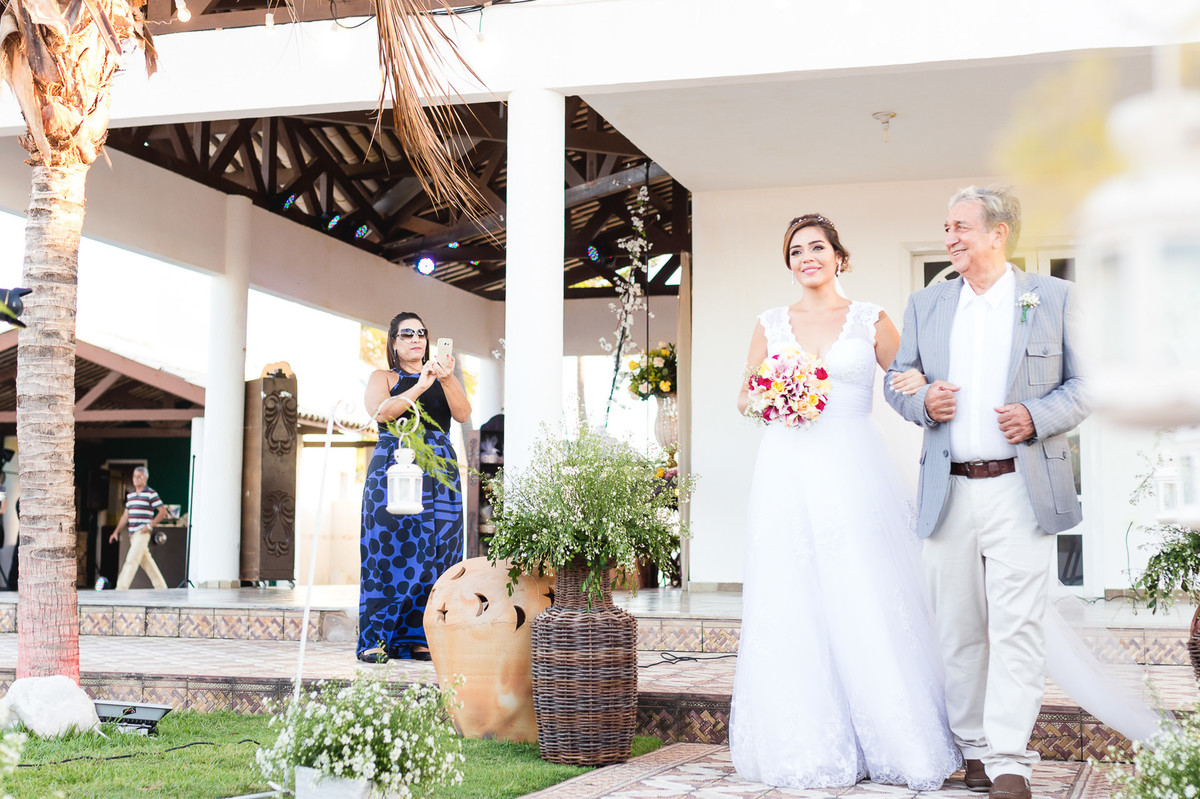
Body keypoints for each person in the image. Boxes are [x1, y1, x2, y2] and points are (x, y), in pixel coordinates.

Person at [730, 213, 960, 790]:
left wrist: (923, 390)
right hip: (786, 470)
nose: (807, 256)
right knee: (794, 597)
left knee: (863, 590)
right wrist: (776, 395)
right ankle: (806, 740)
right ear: (789, 263)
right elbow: (743, 395)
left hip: (855, 468)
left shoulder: (870, 318)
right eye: (796, 250)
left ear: (839, 256)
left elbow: (910, 378)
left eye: (817, 247)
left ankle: (896, 737)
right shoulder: (770, 323)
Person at [885, 186, 1087, 799]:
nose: (950, 238)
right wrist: (922, 401)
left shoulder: (1054, 297)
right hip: (947, 493)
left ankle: (1009, 763)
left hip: (1019, 490)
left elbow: (1089, 383)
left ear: (998, 233)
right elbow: (897, 381)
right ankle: (971, 748)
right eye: (946, 228)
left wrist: (1037, 413)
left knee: (1018, 627)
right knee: (958, 629)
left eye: (961, 227)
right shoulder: (926, 303)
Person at [358, 312, 471, 663]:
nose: (415, 339)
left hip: (438, 469)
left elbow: (464, 414)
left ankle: (423, 636)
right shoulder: (384, 377)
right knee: (386, 549)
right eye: (406, 334)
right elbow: (381, 412)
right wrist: (421, 383)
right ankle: (376, 638)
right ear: (393, 343)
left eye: (421, 333)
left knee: (439, 550)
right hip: (394, 466)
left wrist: (446, 379)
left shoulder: (444, 377)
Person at [108, 465, 169, 590]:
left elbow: (163, 512)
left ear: (145, 478)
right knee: (147, 562)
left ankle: (120, 589)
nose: (135, 479)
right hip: (132, 534)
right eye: (134, 476)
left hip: (142, 533)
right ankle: (162, 588)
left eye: (139, 476)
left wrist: (149, 526)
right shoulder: (130, 495)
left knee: (131, 560)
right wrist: (115, 532)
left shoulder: (151, 493)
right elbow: (126, 516)